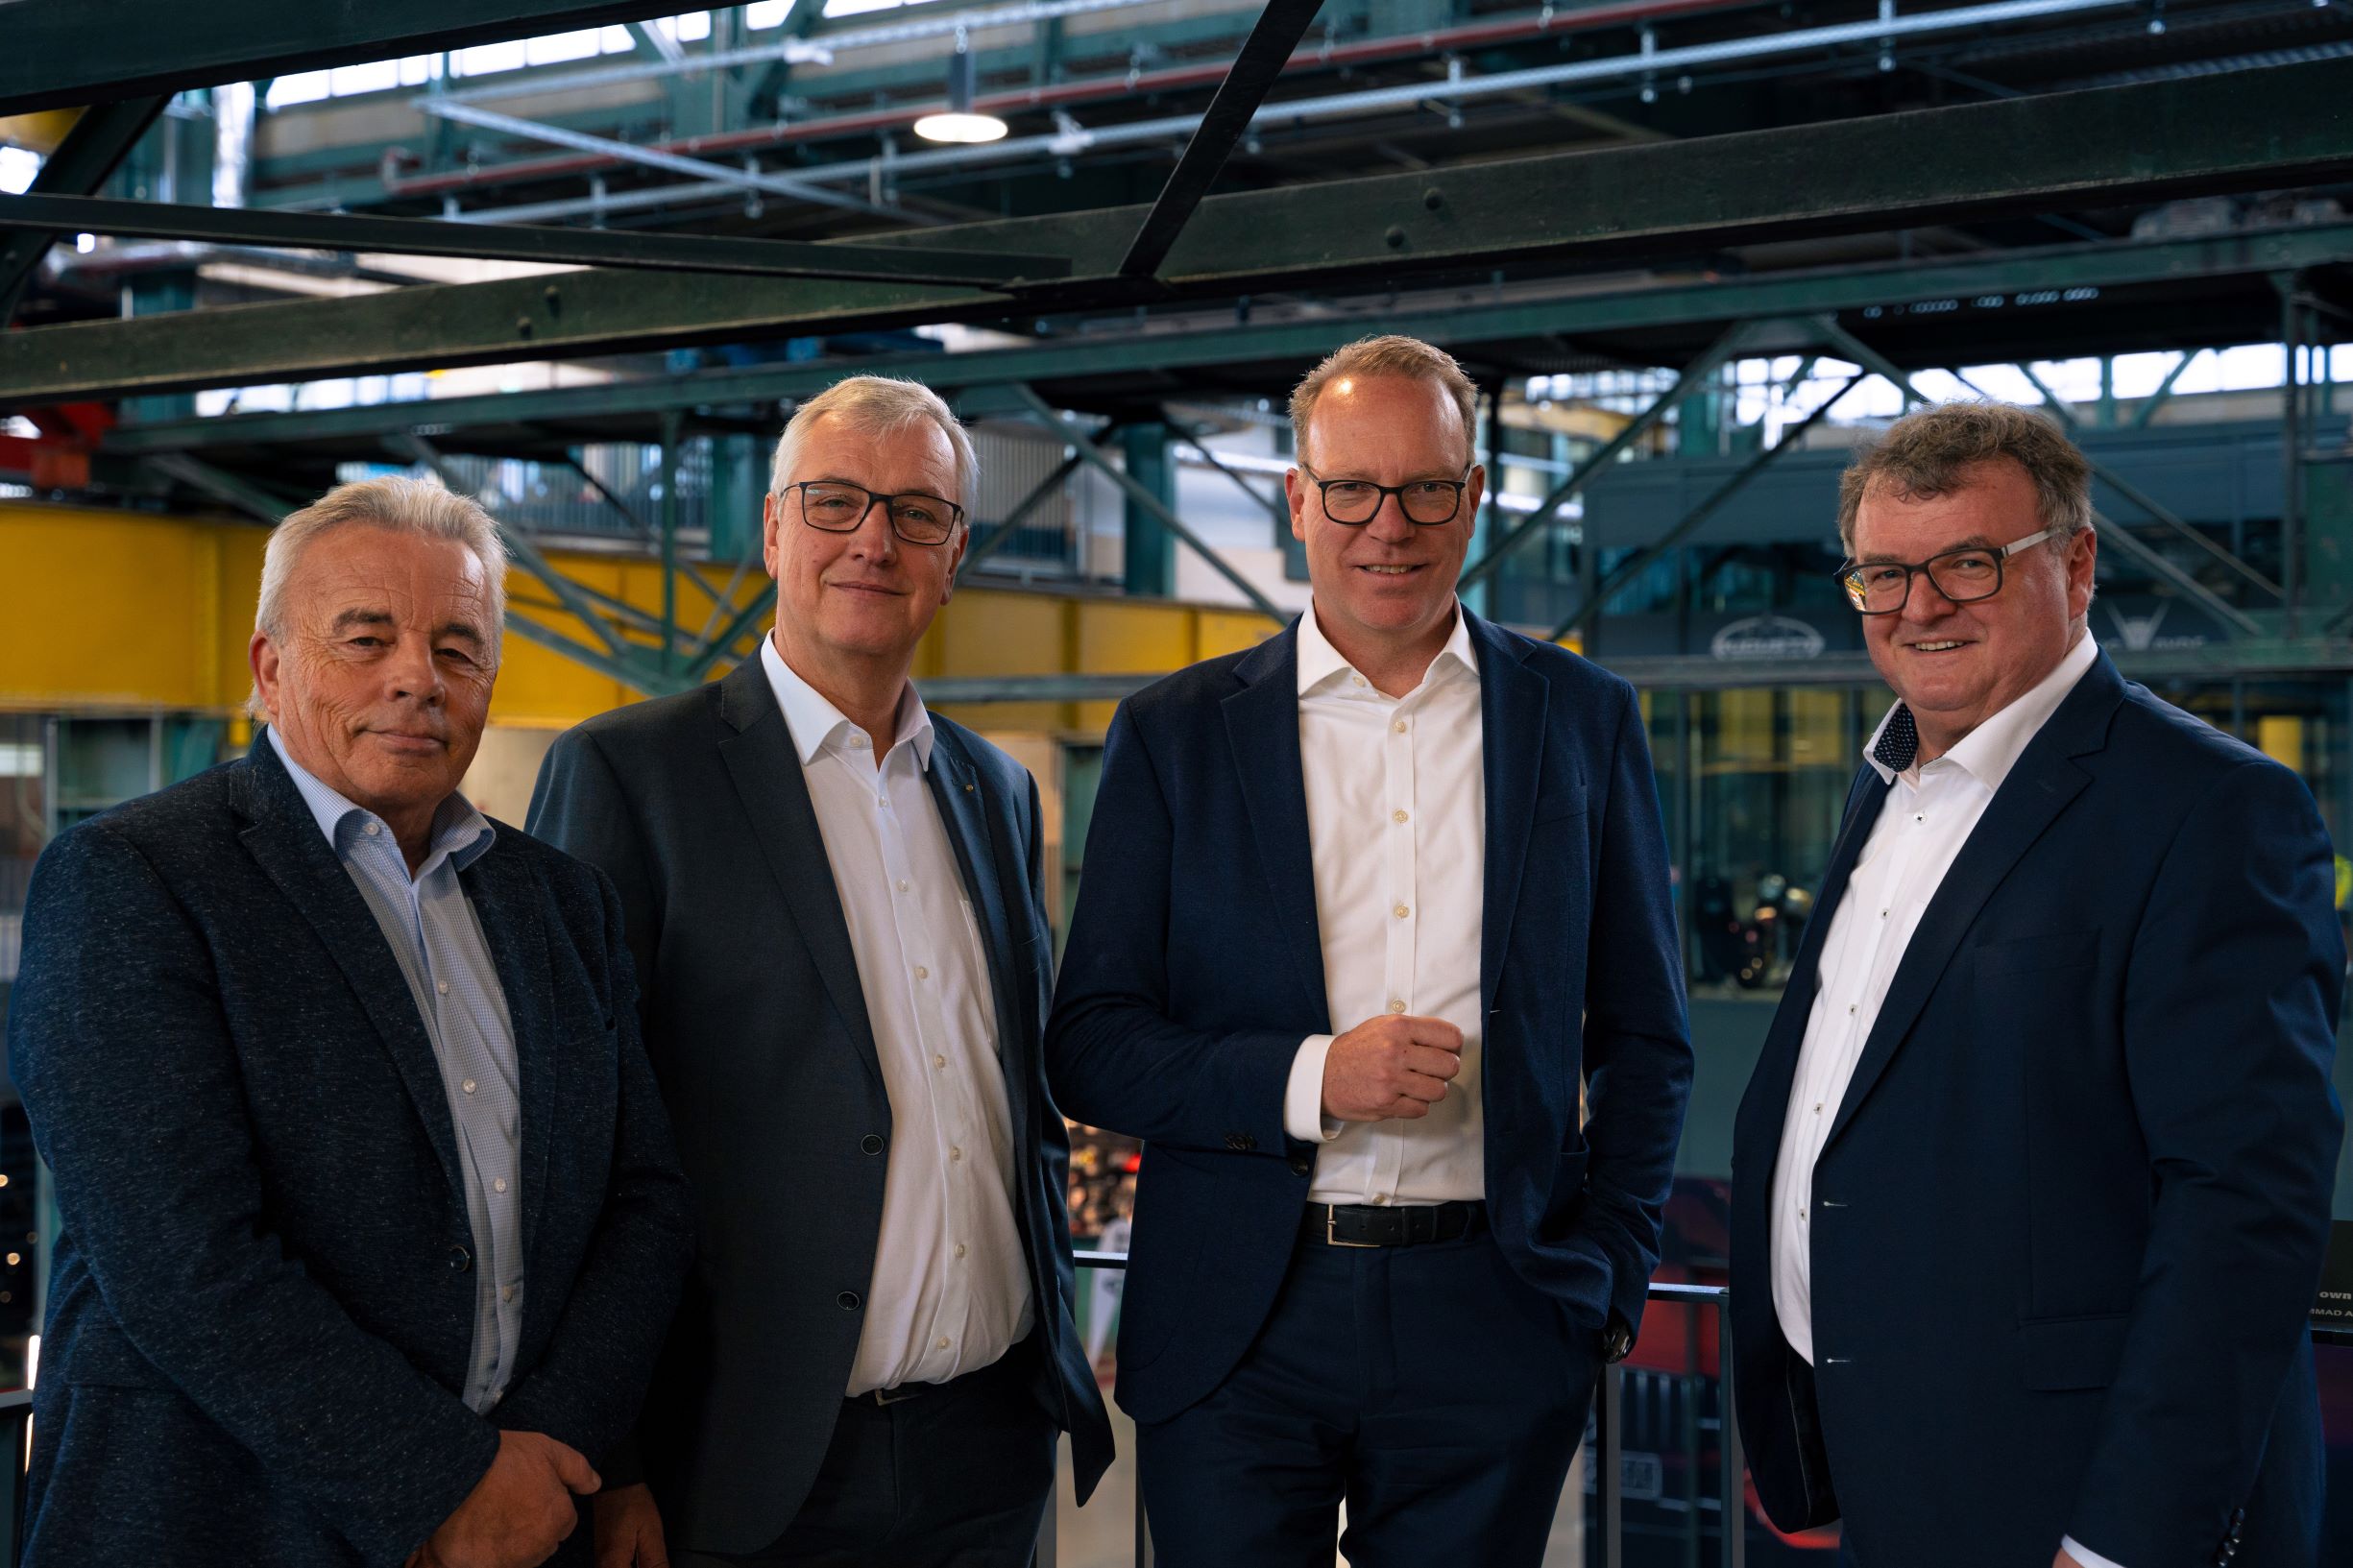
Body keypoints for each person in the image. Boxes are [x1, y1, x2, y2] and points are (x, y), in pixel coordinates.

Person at [1047, 334, 1693, 1566]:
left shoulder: (1580, 718)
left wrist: (1606, 1276)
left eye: (1424, 489)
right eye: (1350, 488)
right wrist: (1311, 1077)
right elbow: (1091, 1043)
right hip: (1240, 1318)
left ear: (1473, 494)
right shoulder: (1173, 734)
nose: (1387, 526)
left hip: (1495, 1312)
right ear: (1297, 498)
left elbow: (1646, 1036)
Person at [7, 475, 692, 1568]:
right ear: (270, 668)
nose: (417, 678)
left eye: (458, 648)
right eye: (366, 638)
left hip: (529, 1517)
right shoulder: (134, 879)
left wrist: (544, 1457)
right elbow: (181, 1260)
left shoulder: (562, 901)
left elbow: (642, 1201)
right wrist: (444, 1482)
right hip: (228, 1527)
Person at [1729, 402, 2344, 1568]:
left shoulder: (2211, 808)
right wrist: (1800, 1431)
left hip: (2062, 1499)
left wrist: (2118, 1542)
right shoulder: (1888, 780)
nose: (1918, 606)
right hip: (1869, 1468)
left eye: (1966, 563)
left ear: (2075, 563)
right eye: (1882, 573)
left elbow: (2241, 1209)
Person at [529, 375, 1113, 1568]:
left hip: (987, 1452)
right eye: (835, 500)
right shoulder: (634, 776)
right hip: (744, 1465)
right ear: (772, 529)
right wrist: (614, 1458)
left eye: (915, 512)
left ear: (954, 553)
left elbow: (1021, 1108)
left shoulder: (995, 790)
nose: (872, 541)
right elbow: (569, 1140)